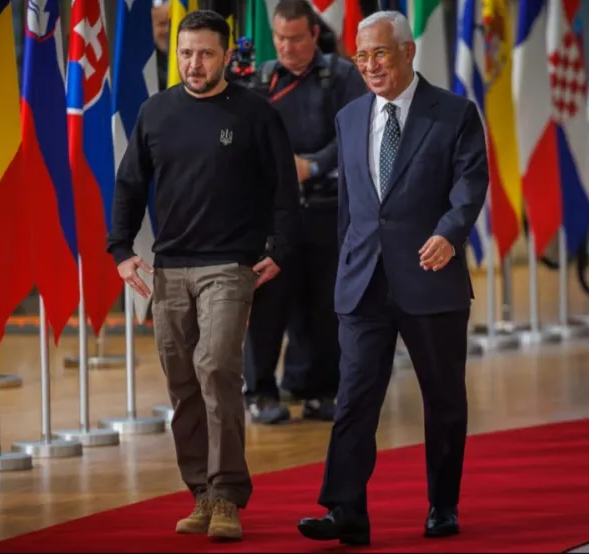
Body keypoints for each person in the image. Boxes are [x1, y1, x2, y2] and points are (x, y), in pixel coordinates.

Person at [107, 10, 300, 542]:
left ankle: (228, 494)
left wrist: (281, 247)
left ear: (226, 56)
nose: (194, 63)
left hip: (230, 266)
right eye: (186, 53)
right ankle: (202, 494)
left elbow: (284, 188)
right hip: (169, 268)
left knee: (216, 368)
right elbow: (128, 185)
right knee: (183, 384)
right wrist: (121, 249)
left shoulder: (255, 113)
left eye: (206, 53)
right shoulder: (155, 112)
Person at [297, 11, 488, 545]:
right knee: (354, 397)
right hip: (363, 284)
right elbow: (352, 207)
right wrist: (345, 268)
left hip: (431, 277)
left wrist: (450, 234)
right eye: (361, 56)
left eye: (380, 53)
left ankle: (443, 504)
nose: (370, 65)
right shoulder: (350, 117)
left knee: (443, 400)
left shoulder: (453, 114)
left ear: (408, 52)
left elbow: (470, 185)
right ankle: (346, 510)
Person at [242, 0, 367, 425]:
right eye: (280, 39)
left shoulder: (343, 76)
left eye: (296, 39)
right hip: (275, 217)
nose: (287, 48)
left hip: (326, 209)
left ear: (314, 34)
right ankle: (259, 392)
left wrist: (310, 167)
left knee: (324, 306)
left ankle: (317, 390)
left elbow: (354, 133)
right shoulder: (262, 79)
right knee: (267, 307)